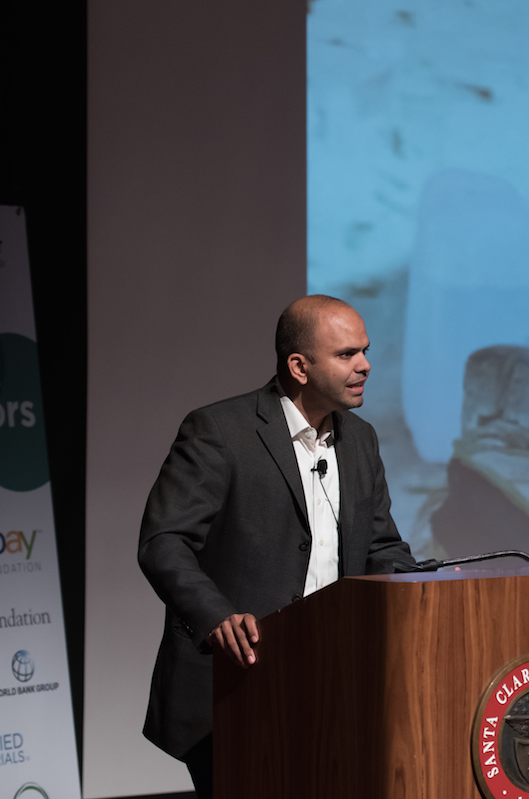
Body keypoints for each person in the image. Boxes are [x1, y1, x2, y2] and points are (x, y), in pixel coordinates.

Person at [138, 295, 415, 798]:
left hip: (332, 681)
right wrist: (217, 616)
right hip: (237, 683)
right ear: (299, 367)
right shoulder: (220, 431)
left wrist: (421, 589)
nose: (365, 366)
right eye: (347, 354)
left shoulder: (361, 439)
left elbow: (381, 546)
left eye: (365, 351)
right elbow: (164, 541)